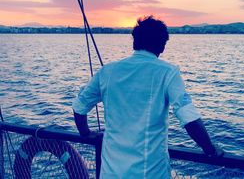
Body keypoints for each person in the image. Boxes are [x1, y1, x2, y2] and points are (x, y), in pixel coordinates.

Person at [72, 15, 223, 178]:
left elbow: (80, 106)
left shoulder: (107, 71)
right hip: (150, 173)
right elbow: (189, 118)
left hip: (111, 173)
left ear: (134, 42)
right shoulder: (167, 72)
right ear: (162, 46)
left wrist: (85, 133)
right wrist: (210, 149)